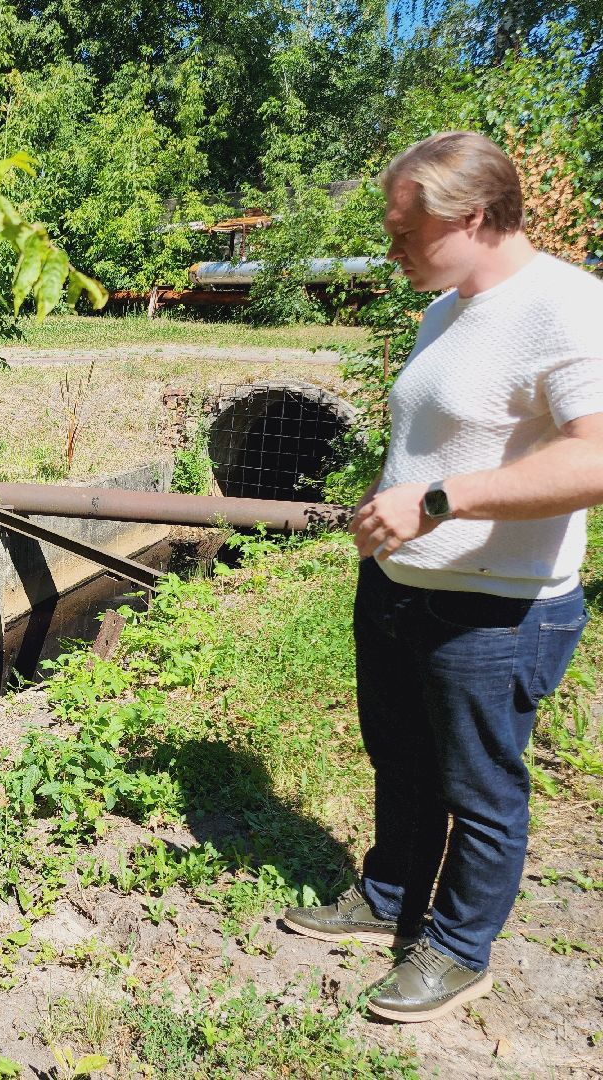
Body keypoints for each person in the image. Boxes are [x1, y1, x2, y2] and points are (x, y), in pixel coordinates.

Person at [281, 131, 603, 1022]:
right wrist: (394, 504)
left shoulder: (569, 308)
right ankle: (389, 894)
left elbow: (597, 461)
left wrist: (440, 498)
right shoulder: (449, 304)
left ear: (470, 217)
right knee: (401, 758)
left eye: (401, 232)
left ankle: (461, 949)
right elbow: (443, 438)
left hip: (495, 611)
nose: (390, 251)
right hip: (399, 586)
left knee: (480, 786)